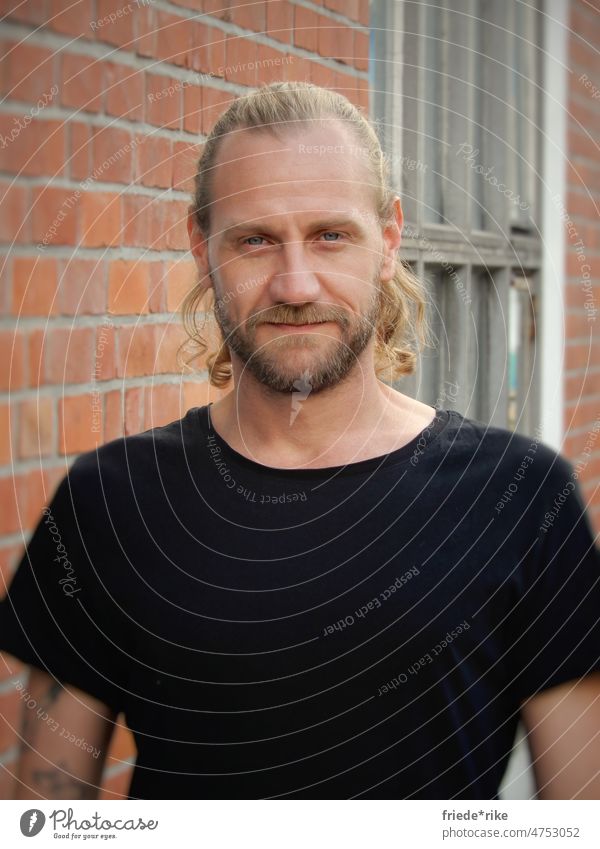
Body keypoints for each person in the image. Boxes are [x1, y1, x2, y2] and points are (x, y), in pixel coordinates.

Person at [1, 81, 599, 801]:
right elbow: (41, 807)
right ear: (202, 247)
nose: (295, 282)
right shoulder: (111, 498)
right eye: (255, 239)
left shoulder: (523, 496)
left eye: (330, 235)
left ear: (390, 239)